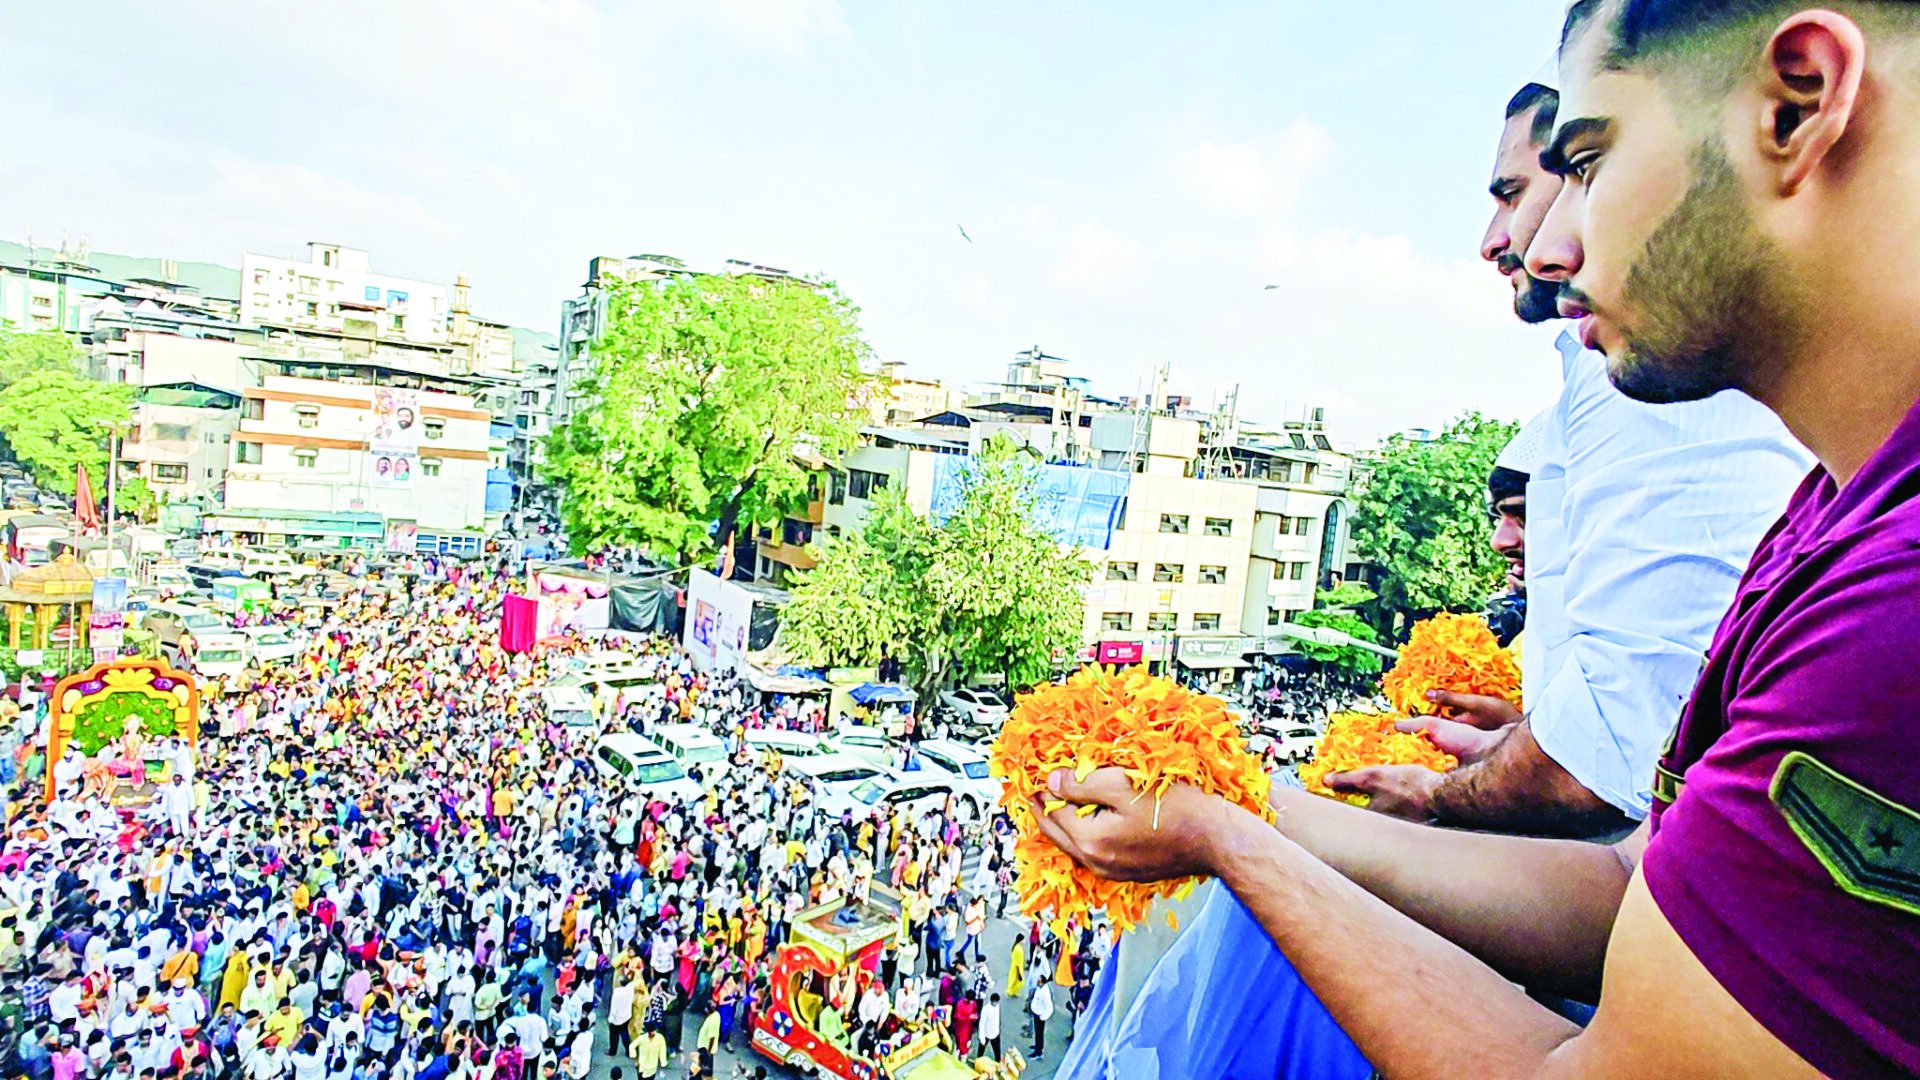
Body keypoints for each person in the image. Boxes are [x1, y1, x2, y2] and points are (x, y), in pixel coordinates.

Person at [1041, 2, 1920, 1075]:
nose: (1547, 247)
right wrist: (1245, 808)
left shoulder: (1896, 611)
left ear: (1799, 102)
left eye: (1589, 163)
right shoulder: (1830, 517)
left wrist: (1231, 839)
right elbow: (1628, 893)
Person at [1328, 65, 1811, 837]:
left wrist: (1417, 799)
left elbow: (1616, 760)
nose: (1507, 243)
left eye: (1525, 190)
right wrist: (1515, 736)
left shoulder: (1649, 368)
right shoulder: (1604, 368)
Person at [1027, 977, 1052, 1058]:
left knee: (1039, 1033)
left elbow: (1050, 1008)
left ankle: (1038, 1051)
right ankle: (1037, 1046)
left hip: (1040, 1016)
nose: (1037, 982)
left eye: (1039, 981)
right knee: (1037, 1033)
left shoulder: (1045, 993)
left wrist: (1043, 1017)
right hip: (1036, 1013)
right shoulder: (1039, 988)